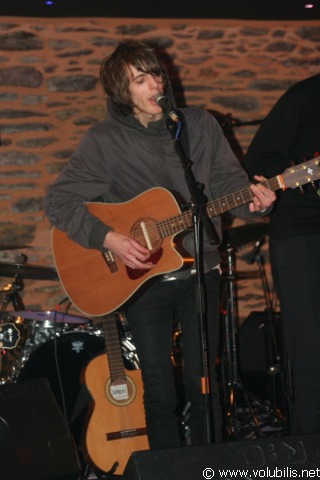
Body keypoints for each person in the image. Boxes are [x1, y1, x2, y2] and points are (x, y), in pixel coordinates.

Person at [44, 39, 275, 450]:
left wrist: (258, 201)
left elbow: (228, 186)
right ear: (121, 90)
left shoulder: (199, 125)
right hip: (141, 281)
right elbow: (58, 201)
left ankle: (211, 467)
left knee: (205, 382)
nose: (154, 84)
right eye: (140, 78)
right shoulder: (104, 141)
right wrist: (109, 237)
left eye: (156, 74)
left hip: (200, 269)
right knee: (159, 389)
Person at [244, 74, 320, 436]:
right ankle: (308, 461)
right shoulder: (304, 97)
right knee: (311, 359)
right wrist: (298, 182)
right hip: (302, 236)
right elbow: (259, 160)